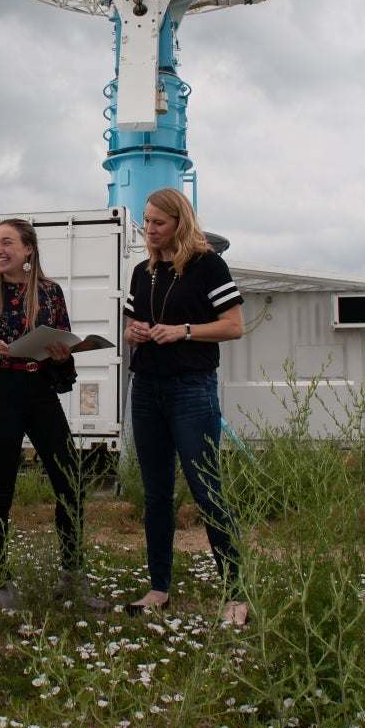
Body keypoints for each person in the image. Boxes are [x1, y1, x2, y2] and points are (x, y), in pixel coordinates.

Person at [0, 219, 106, 611]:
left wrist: (62, 352)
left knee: (70, 483)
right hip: (0, 396)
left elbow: (65, 344)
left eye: (6, 242)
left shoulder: (51, 293)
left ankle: (72, 575)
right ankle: (0, 579)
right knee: (0, 490)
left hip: (40, 393)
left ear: (28, 250)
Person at [123, 188, 247, 626]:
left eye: (158, 222)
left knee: (206, 489)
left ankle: (236, 594)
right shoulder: (143, 272)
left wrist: (183, 331)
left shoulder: (208, 265)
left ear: (181, 221)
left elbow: (234, 327)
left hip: (190, 389)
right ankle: (158, 588)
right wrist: (136, 332)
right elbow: (130, 324)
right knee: (157, 494)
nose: (150, 230)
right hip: (147, 388)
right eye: (146, 222)